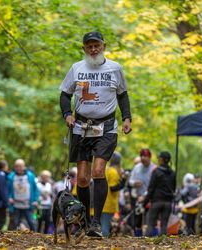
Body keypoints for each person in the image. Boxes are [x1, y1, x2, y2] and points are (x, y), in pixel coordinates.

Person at [59, 31, 132, 237]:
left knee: (98, 172)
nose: (93, 49)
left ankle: (96, 224)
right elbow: (65, 95)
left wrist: (127, 118)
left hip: (107, 127)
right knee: (82, 179)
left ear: (103, 46)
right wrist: (67, 114)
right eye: (89, 46)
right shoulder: (76, 68)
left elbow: (123, 95)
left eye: (96, 45)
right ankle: (84, 221)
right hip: (81, 127)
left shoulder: (115, 68)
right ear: (84, 48)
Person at [144, 151, 176, 236]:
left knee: (150, 223)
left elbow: (151, 188)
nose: (158, 160)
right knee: (164, 224)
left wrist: (145, 201)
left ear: (161, 159)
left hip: (156, 201)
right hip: (168, 202)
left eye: (159, 158)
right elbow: (173, 188)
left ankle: (147, 242)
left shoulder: (156, 171)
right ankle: (163, 244)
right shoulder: (172, 173)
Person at [128, 148, 156, 236]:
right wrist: (134, 183)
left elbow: (154, 186)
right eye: (142, 158)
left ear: (150, 158)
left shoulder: (154, 169)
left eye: (146, 158)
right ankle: (138, 238)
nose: (144, 161)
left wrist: (145, 196)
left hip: (150, 198)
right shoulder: (137, 167)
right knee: (137, 221)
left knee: (150, 220)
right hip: (138, 197)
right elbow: (130, 181)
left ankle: (152, 238)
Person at [7, 159, 39, 231]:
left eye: (21, 166)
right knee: (15, 223)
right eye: (17, 166)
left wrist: (35, 200)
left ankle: (36, 239)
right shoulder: (11, 176)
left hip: (28, 204)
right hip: (15, 204)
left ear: (24, 166)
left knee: (31, 222)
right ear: (14, 167)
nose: (19, 168)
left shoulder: (30, 176)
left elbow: (35, 189)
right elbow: (7, 189)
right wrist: (9, 197)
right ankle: (13, 239)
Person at [101, 151, 125, 237]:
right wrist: (123, 182)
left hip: (103, 202)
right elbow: (113, 188)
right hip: (108, 204)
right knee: (106, 226)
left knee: (104, 224)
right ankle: (104, 245)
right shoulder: (113, 172)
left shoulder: (106, 169)